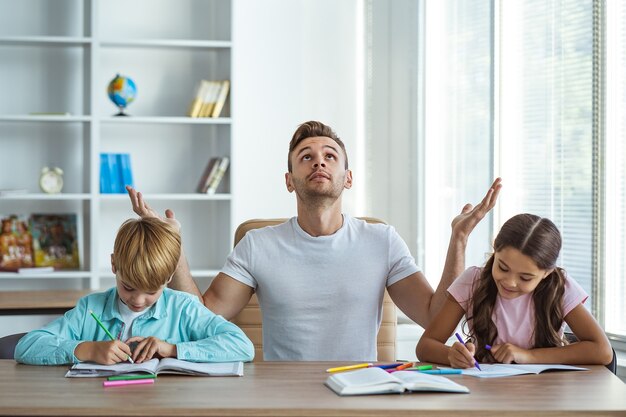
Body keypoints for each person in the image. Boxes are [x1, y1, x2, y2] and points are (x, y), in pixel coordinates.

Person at [127, 120, 502, 361]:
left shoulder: (382, 240)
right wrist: (172, 249)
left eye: (329, 156)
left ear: (348, 177)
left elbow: (435, 319)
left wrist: (459, 238)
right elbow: (203, 317)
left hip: (361, 390)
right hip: (282, 396)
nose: (318, 162)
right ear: (289, 180)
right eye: (305, 157)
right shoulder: (258, 245)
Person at [15, 217, 254, 365]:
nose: (138, 300)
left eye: (151, 290)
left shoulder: (184, 308)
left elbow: (241, 346)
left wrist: (172, 349)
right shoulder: (90, 309)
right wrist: (86, 349)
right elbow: (27, 346)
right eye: (128, 286)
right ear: (114, 265)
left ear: (169, 276)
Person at [415, 213, 613, 368]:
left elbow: (602, 351)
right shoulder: (472, 281)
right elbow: (426, 346)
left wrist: (527, 356)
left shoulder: (560, 287)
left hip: (547, 392)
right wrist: (451, 355)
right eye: (502, 267)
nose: (510, 282)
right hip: (486, 393)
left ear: (546, 273)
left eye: (525, 278)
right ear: (495, 249)